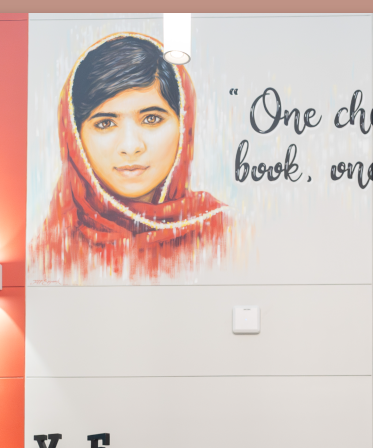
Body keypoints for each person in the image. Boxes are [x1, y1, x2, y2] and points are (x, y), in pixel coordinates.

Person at [32, 33, 229, 280]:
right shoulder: (49, 256)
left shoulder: (222, 233)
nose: (130, 146)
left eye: (151, 119)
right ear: (74, 137)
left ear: (183, 126)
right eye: (105, 123)